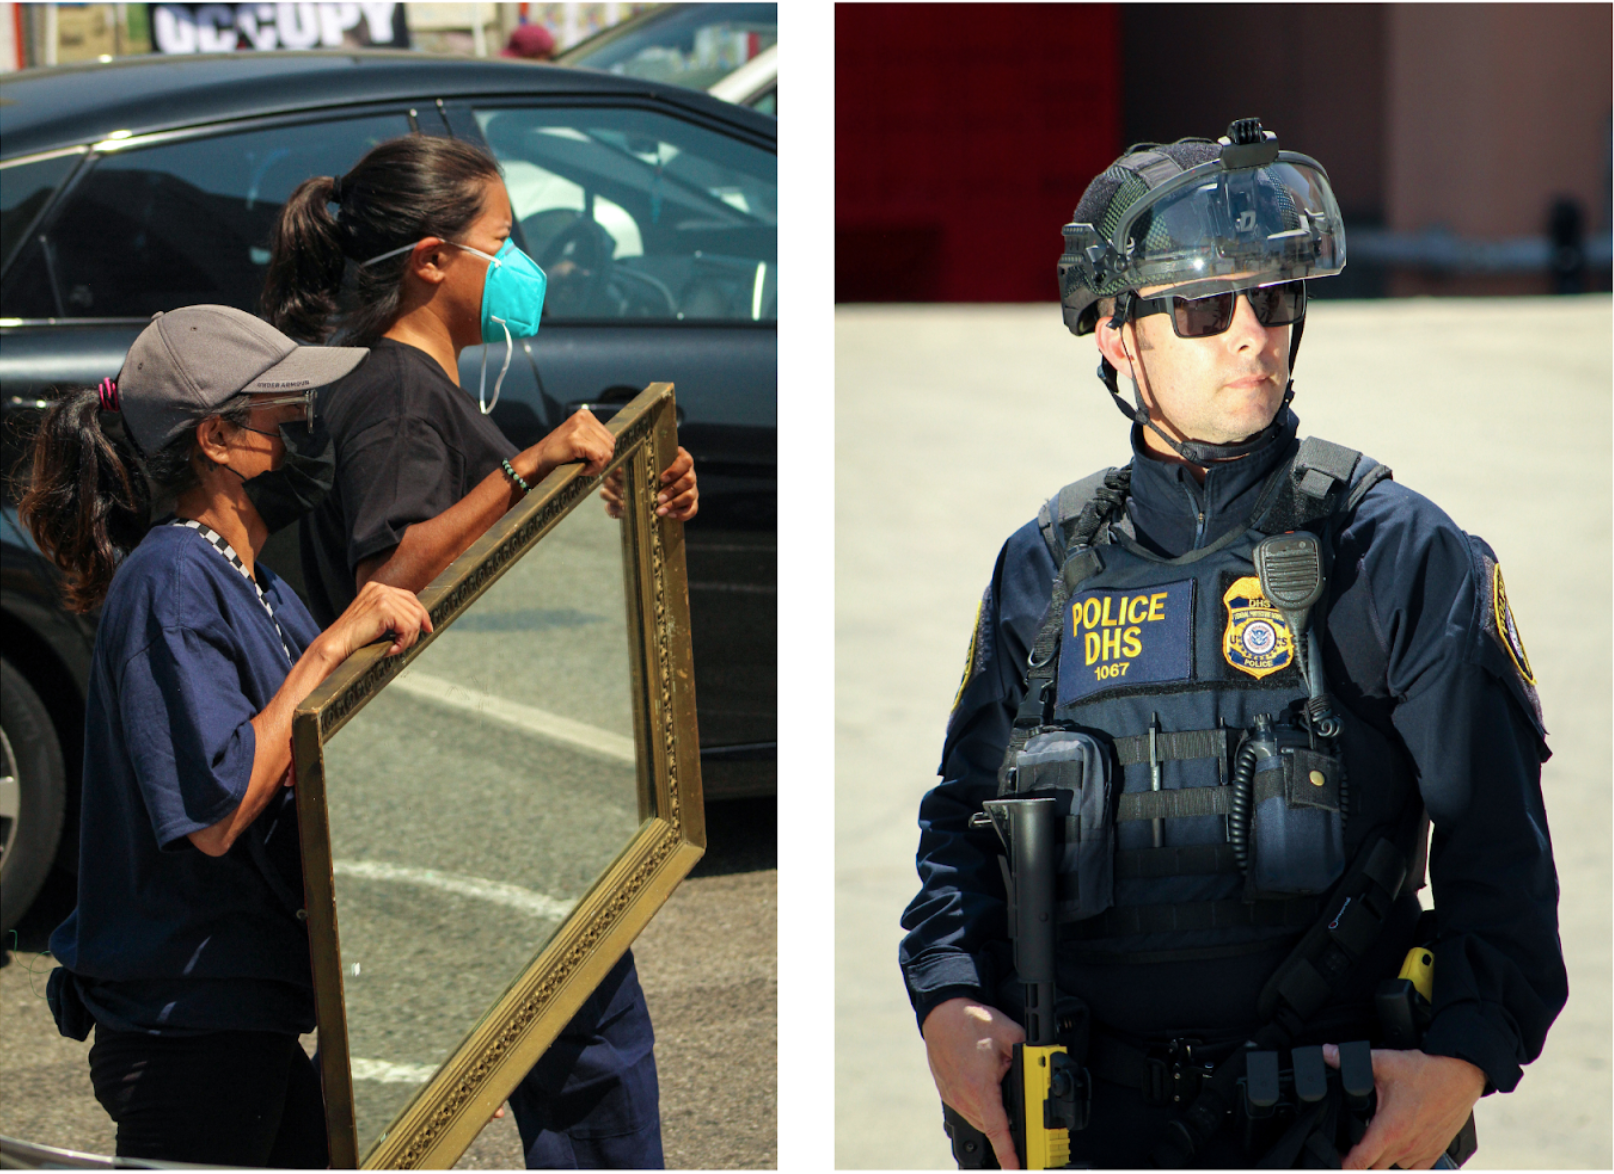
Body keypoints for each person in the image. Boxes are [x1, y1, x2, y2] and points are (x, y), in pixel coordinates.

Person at [899, 119, 1566, 1170]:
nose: (1253, 333)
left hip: (1332, 1129)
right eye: (1205, 307)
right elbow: (961, 828)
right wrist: (949, 998)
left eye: (1276, 298)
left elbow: (1501, 856)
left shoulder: (1395, 550)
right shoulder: (1045, 566)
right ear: (1117, 336)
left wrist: (1465, 1058)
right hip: (1092, 1132)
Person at [260, 133, 695, 1169]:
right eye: (502, 242)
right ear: (431, 260)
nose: (521, 265)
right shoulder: (394, 392)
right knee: (590, 1076)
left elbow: (494, 567)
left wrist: (634, 502)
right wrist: (528, 468)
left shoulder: (406, 383)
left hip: (477, 789)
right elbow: (392, 574)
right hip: (467, 804)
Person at [19, 305, 433, 1167]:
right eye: (288, 416)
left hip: (247, 1015)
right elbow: (216, 810)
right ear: (216, 438)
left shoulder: (258, 585)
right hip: (188, 1032)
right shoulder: (170, 580)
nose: (306, 438)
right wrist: (330, 649)